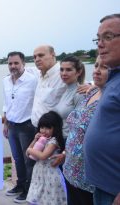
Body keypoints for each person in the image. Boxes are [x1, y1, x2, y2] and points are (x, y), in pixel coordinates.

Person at [84, 13, 120, 205]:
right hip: (103, 186)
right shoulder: (113, 78)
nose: (100, 44)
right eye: (98, 39)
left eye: (108, 37)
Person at [63, 56, 108, 205]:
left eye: (104, 67)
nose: (97, 70)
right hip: (71, 172)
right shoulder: (90, 92)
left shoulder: (111, 101)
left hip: (90, 181)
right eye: (96, 66)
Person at [2, 52, 37, 203]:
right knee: (17, 159)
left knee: (28, 160)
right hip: (12, 125)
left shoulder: (33, 80)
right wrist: (5, 123)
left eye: (16, 63)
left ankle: (29, 191)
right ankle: (20, 185)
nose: (13, 66)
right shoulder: (5, 81)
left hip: (27, 125)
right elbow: (6, 102)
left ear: (23, 63)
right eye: (10, 63)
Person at [25, 111, 67, 205]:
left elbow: (43, 156)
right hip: (39, 175)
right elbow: (29, 155)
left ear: (55, 128)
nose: (44, 131)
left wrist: (29, 150)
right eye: (42, 127)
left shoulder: (53, 141)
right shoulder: (42, 139)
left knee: (49, 200)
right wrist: (35, 140)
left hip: (50, 175)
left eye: (48, 128)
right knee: (37, 199)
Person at [31, 45, 66, 129]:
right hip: (39, 129)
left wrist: (90, 87)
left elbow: (80, 84)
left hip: (55, 132)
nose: (37, 59)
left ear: (53, 55)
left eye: (41, 55)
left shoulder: (63, 74)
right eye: (35, 57)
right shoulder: (40, 74)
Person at [54, 55, 85, 138]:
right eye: (61, 69)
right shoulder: (65, 90)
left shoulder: (79, 93)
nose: (64, 73)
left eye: (68, 70)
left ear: (78, 72)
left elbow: (80, 125)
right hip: (61, 138)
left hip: (70, 140)